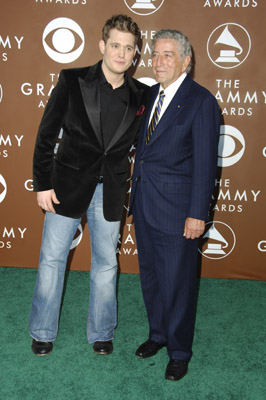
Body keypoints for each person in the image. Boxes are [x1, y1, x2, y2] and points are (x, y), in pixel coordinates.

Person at [29, 14, 150, 357]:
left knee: (106, 263)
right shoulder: (72, 79)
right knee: (52, 259)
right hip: (66, 185)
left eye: (128, 48)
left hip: (110, 189)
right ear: (102, 46)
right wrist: (42, 183)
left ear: (135, 53)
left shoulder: (142, 94)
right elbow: (45, 135)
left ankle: (101, 331)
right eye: (115, 45)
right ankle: (41, 330)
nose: (121, 53)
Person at [129, 29, 220, 381]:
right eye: (155, 54)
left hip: (179, 212)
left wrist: (198, 214)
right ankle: (158, 335)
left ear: (186, 61)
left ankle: (179, 351)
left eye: (168, 54)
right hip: (145, 205)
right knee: (151, 279)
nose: (158, 60)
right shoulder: (150, 94)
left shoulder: (201, 101)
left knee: (178, 284)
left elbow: (205, 166)